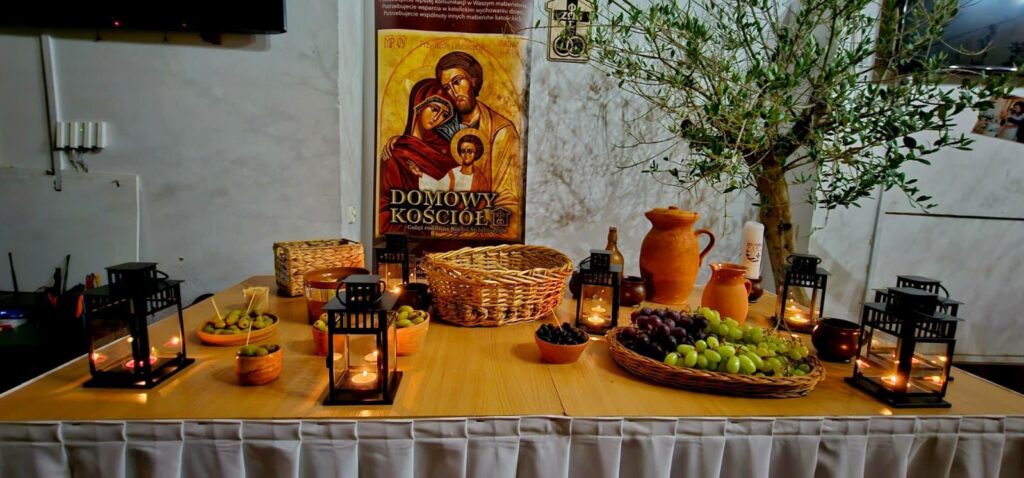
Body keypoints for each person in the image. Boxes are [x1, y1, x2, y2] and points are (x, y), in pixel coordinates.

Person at [435, 51, 523, 237]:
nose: (454, 92)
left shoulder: (502, 131)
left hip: (481, 240)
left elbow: (507, 202)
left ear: (473, 80)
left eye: (457, 82)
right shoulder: (440, 129)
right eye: (447, 87)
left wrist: (470, 229)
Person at [378, 79, 459, 231]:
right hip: (413, 230)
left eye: (444, 114)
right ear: (418, 105)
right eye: (434, 109)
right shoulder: (395, 153)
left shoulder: (446, 149)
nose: (437, 118)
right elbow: (385, 208)